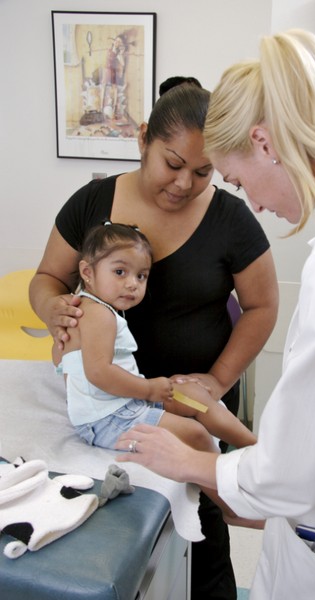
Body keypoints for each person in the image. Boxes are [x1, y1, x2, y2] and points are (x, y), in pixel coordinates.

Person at [115, 29, 315, 599]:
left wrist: (194, 463)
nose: (257, 204)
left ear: (265, 143)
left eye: (239, 180)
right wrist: (227, 430)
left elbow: (293, 472)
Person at [29, 80, 278, 600]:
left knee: (204, 541)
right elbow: (47, 280)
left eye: (204, 170)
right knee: (120, 546)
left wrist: (217, 379)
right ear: (143, 139)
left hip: (190, 398)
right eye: (172, 163)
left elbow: (262, 306)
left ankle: (259, 482)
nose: (186, 183)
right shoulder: (92, 201)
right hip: (109, 401)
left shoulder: (230, 219)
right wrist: (54, 308)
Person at [53, 221, 256, 457]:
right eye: (120, 272)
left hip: (126, 404)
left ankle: (256, 449)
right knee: (195, 434)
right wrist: (148, 389)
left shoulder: (83, 312)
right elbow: (98, 373)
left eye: (141, 276)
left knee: (194, 395)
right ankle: (230, 485)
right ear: (87, 272)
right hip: (107, 420)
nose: (132, 284)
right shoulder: (97, 314)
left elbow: (59, 358)